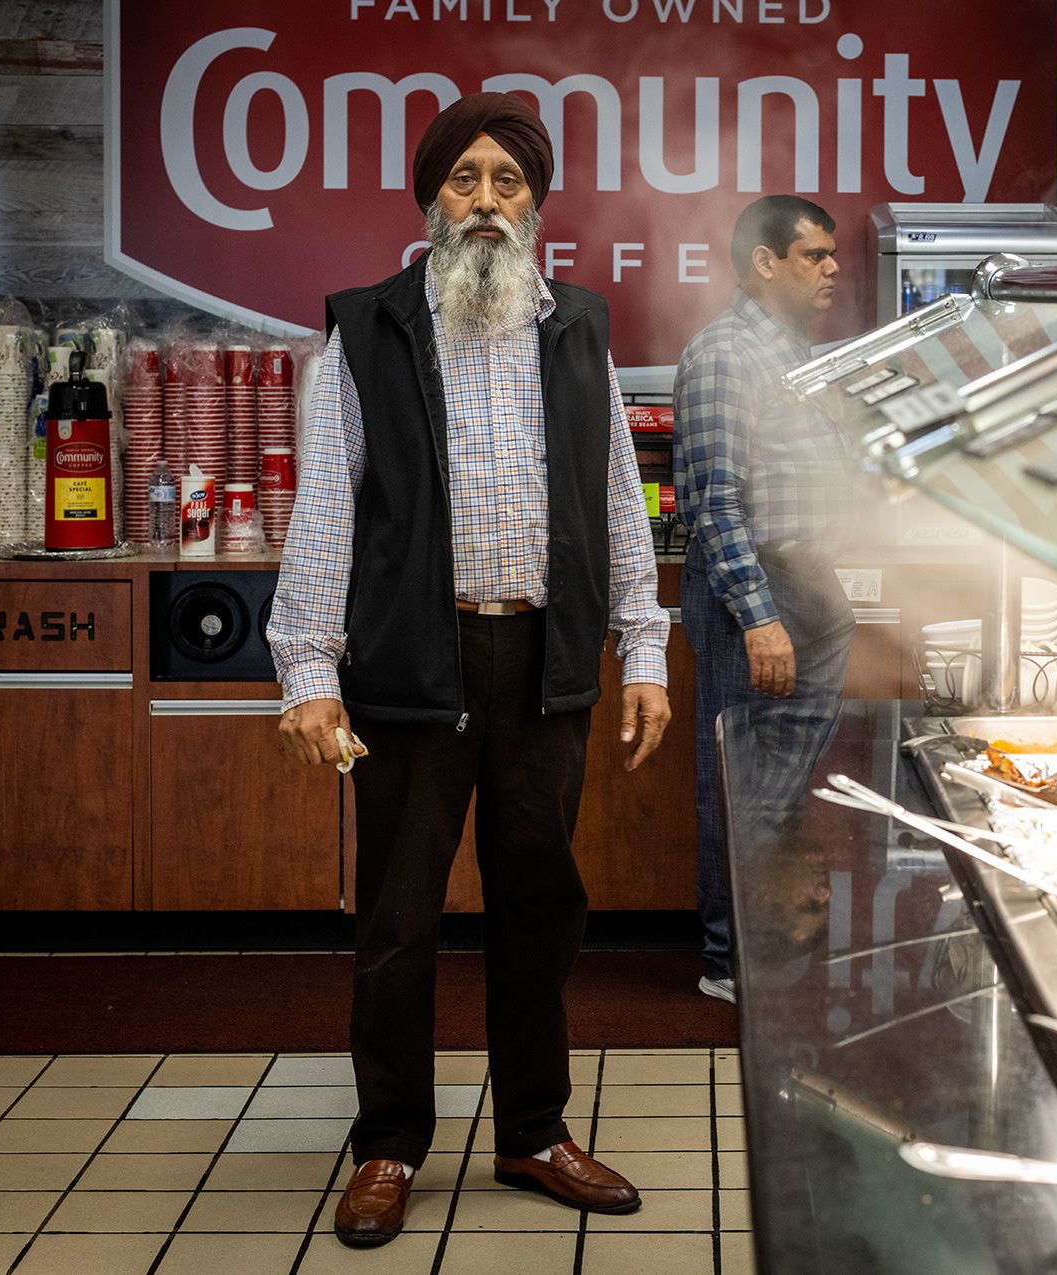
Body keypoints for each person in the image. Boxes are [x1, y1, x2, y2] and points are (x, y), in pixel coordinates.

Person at [267, 90, 672, 1249]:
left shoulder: (578, 325)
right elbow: (327, 510)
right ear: (431, 197)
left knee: (540, 907)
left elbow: (614, 505)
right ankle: (389, 1144)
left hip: (544, 658)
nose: (486, 201)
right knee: (398, 918)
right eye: (464, 180)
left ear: (535, 202)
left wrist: (639, 645)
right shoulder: (368, 329)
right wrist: (307, 670)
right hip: (411, 661)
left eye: (506, 182)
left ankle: (533, 1134)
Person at [674, 195, 859, 1005]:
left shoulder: (798, 354)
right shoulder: (724, 355)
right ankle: (729, 961)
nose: (833, 269)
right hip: (760, 592)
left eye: (831, 254)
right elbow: (715, 503)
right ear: (764, 262)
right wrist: (759, 617)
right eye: (815, 255)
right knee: (741, 779)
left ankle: (769, 943)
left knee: (782, 786)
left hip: (816, 588)